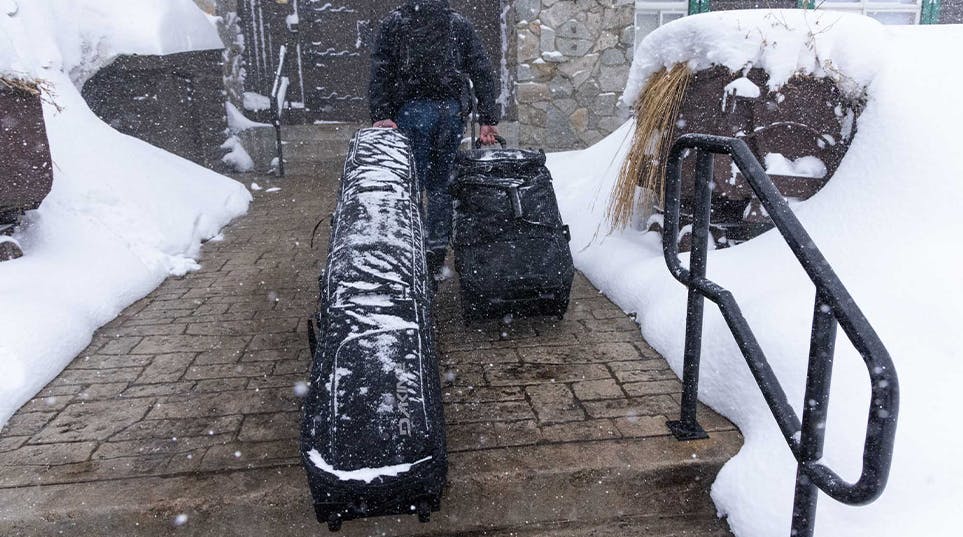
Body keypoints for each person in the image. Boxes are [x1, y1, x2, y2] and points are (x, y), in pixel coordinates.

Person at [368, 0, 500, 276]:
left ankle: (410, 250)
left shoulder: (395, 23)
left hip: (412, 111)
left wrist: (381, 113)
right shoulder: (457, 23)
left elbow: (381, 70)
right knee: (441, 184)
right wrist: (487, 117)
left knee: (410, 184)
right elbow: (481, 69)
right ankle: (436, 252)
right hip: (449, 112)